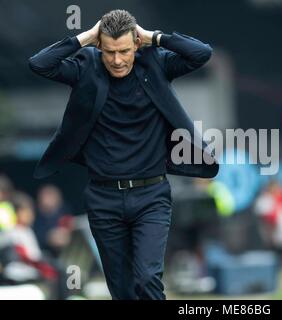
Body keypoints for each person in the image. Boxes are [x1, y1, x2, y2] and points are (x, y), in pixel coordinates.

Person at [28, 9, 218, 300]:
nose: (117, 60)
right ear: (100, 47)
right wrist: (86, 38)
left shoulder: (156, 63)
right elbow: (40, 64)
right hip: (103, 199)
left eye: (125, 51)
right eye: (110, 51)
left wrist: (155, 37)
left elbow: (201, 53)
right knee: (123, 291)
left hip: (151, 196)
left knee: (147, 279)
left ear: (137, 44)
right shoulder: (86, 66)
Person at [33, 185, 73, 258]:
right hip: (44, 254)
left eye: (50, 195)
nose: (47, 199)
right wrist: (48, 238)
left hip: (68, 253)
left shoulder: (65, 211)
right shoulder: (34, 215)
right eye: (45, 196)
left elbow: (70, 228)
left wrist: (66, 235)